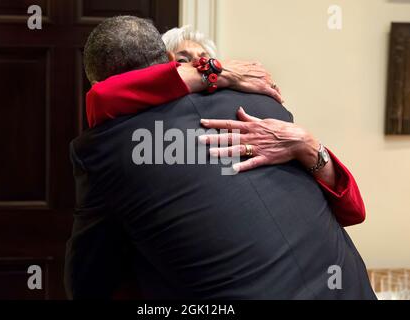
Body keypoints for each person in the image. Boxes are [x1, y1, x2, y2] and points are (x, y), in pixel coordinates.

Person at [65, 16, 376, 299]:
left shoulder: (107, 148)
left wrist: (310, 145)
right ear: (172, 64)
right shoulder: (260, 99)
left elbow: (89, 284)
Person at [85, 25, 365, 228]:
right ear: (166, 68)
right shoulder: (146, 134)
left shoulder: (254, 112)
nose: (201, 67)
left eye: (207, 59)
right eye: (185, 63)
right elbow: (104, 96)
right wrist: (218, 72)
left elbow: (352, 211)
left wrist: (307, 145)